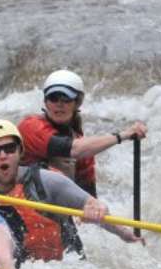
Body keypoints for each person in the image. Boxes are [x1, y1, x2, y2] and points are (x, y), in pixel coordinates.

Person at [0, 119, 143, 267]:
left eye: (10, 148)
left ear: (20, 151)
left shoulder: (47, 181)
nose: (3, 156)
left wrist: (125, 234)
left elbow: (94, 204)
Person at [18, 70, 147, 196]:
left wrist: (95, 212)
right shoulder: (31, 126)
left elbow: (89, 196)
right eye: (53, 98)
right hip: (23, 203)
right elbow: (73, 149)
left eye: (66, 99)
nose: (59, 104)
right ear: (46, 102)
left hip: (55, 209)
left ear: (77, 103)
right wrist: (122, 135)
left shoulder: (83, 146)